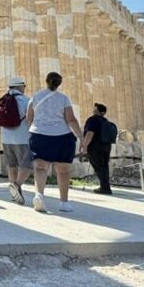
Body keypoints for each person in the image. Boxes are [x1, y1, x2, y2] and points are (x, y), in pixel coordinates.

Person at [27, 72, 84, 213]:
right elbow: (70, 119)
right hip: (61, 136)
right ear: (59, 83)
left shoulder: (35, 97)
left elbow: (29, 118)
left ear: (46, 81)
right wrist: (81, 137)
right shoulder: (63, 98)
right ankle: (64, 202)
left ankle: (39, 194)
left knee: (40, 167)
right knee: (63, 170)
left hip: (39, 134)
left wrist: (33, 131)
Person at [0, 76, 32, 205]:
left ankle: (14, 193)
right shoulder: (26, 101)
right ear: (20, 86)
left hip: (6, 138)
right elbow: (30, 120)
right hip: (22, 137)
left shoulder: (2, 100)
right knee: (26, 165)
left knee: (11, 165)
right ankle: (17, 185)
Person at [82, 102, 116, 195]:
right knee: (104, 166)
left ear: (96, 110)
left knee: (98, 166)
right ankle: (105, 186)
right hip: (106, 146)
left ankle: (105, 188)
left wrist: (85, 147)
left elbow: (89, 134)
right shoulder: (105, 121)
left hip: (95, 147)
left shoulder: (93, 120)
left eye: (95, 108)